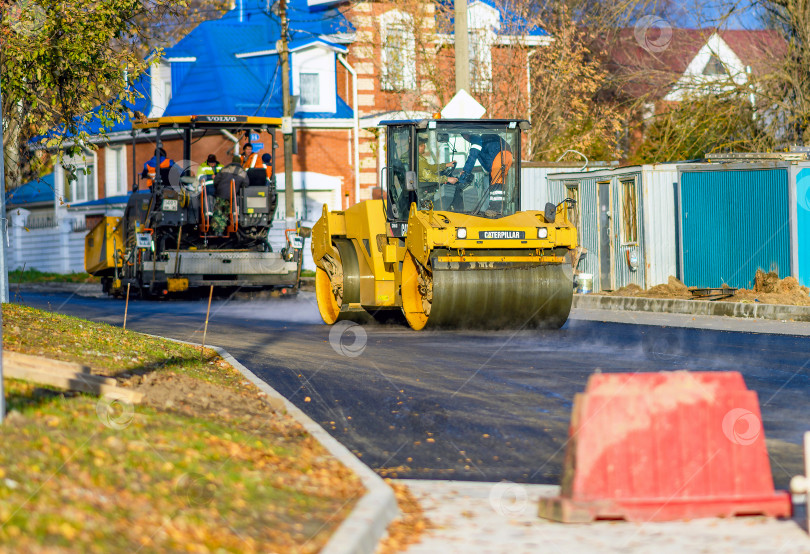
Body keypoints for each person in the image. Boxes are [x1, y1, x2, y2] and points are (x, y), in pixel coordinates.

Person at [211, 156, 249, 235]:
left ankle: (217, 231)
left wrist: (218, 189)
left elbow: (216, 181)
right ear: (240, 162)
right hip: (231, 196)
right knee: (225, 213)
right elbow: (246, 184)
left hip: (220, 194)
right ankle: (222, 230)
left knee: (218, 212)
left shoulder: (225, 169)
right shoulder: (243, 172)